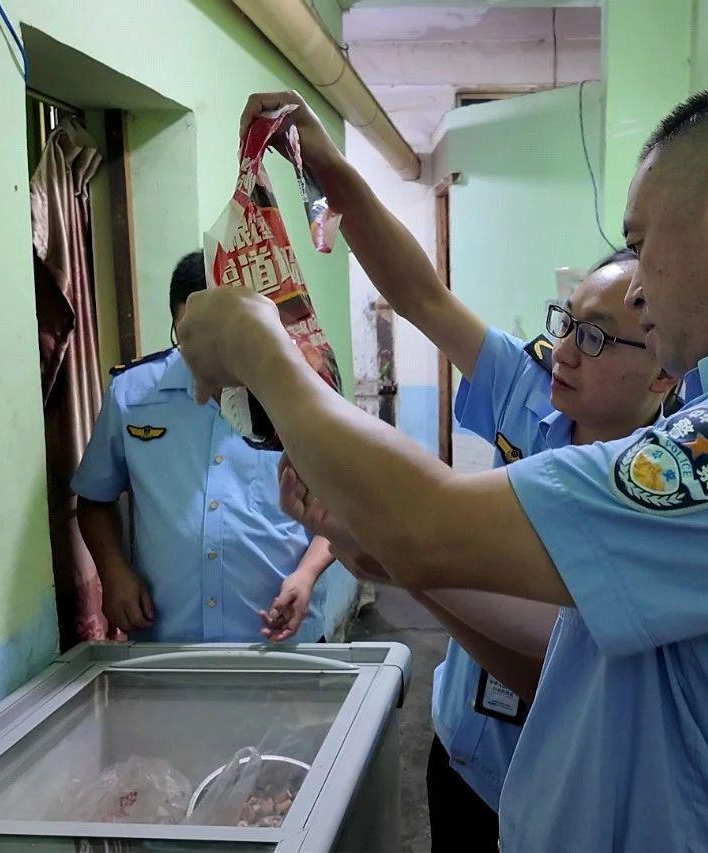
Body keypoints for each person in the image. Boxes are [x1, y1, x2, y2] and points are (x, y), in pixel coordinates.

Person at [179, 84, 708, 850]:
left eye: (643, 243)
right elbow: (575, 648)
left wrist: (257, 342)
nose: (642, 286)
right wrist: (396, 553)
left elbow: (427, 524)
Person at [238, 91, 675, 848]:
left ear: (665, 369)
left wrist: (386, 549)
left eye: (598, 338)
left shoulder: (661, 486)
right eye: (567, 323)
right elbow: (421, 296)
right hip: (462, 748)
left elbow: (551, 650)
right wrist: (329, 167)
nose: (565, 350)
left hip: (558, 788)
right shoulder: (531, 389)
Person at [72, 250, 338, 644]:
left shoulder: (303, 390)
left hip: (280, 637)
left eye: (218, 336)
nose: (203, 352)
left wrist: (307, 573)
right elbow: (95, 499)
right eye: (189, 336)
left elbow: (342, 508)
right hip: (168, 639)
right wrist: (113, 573)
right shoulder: (132, 394)